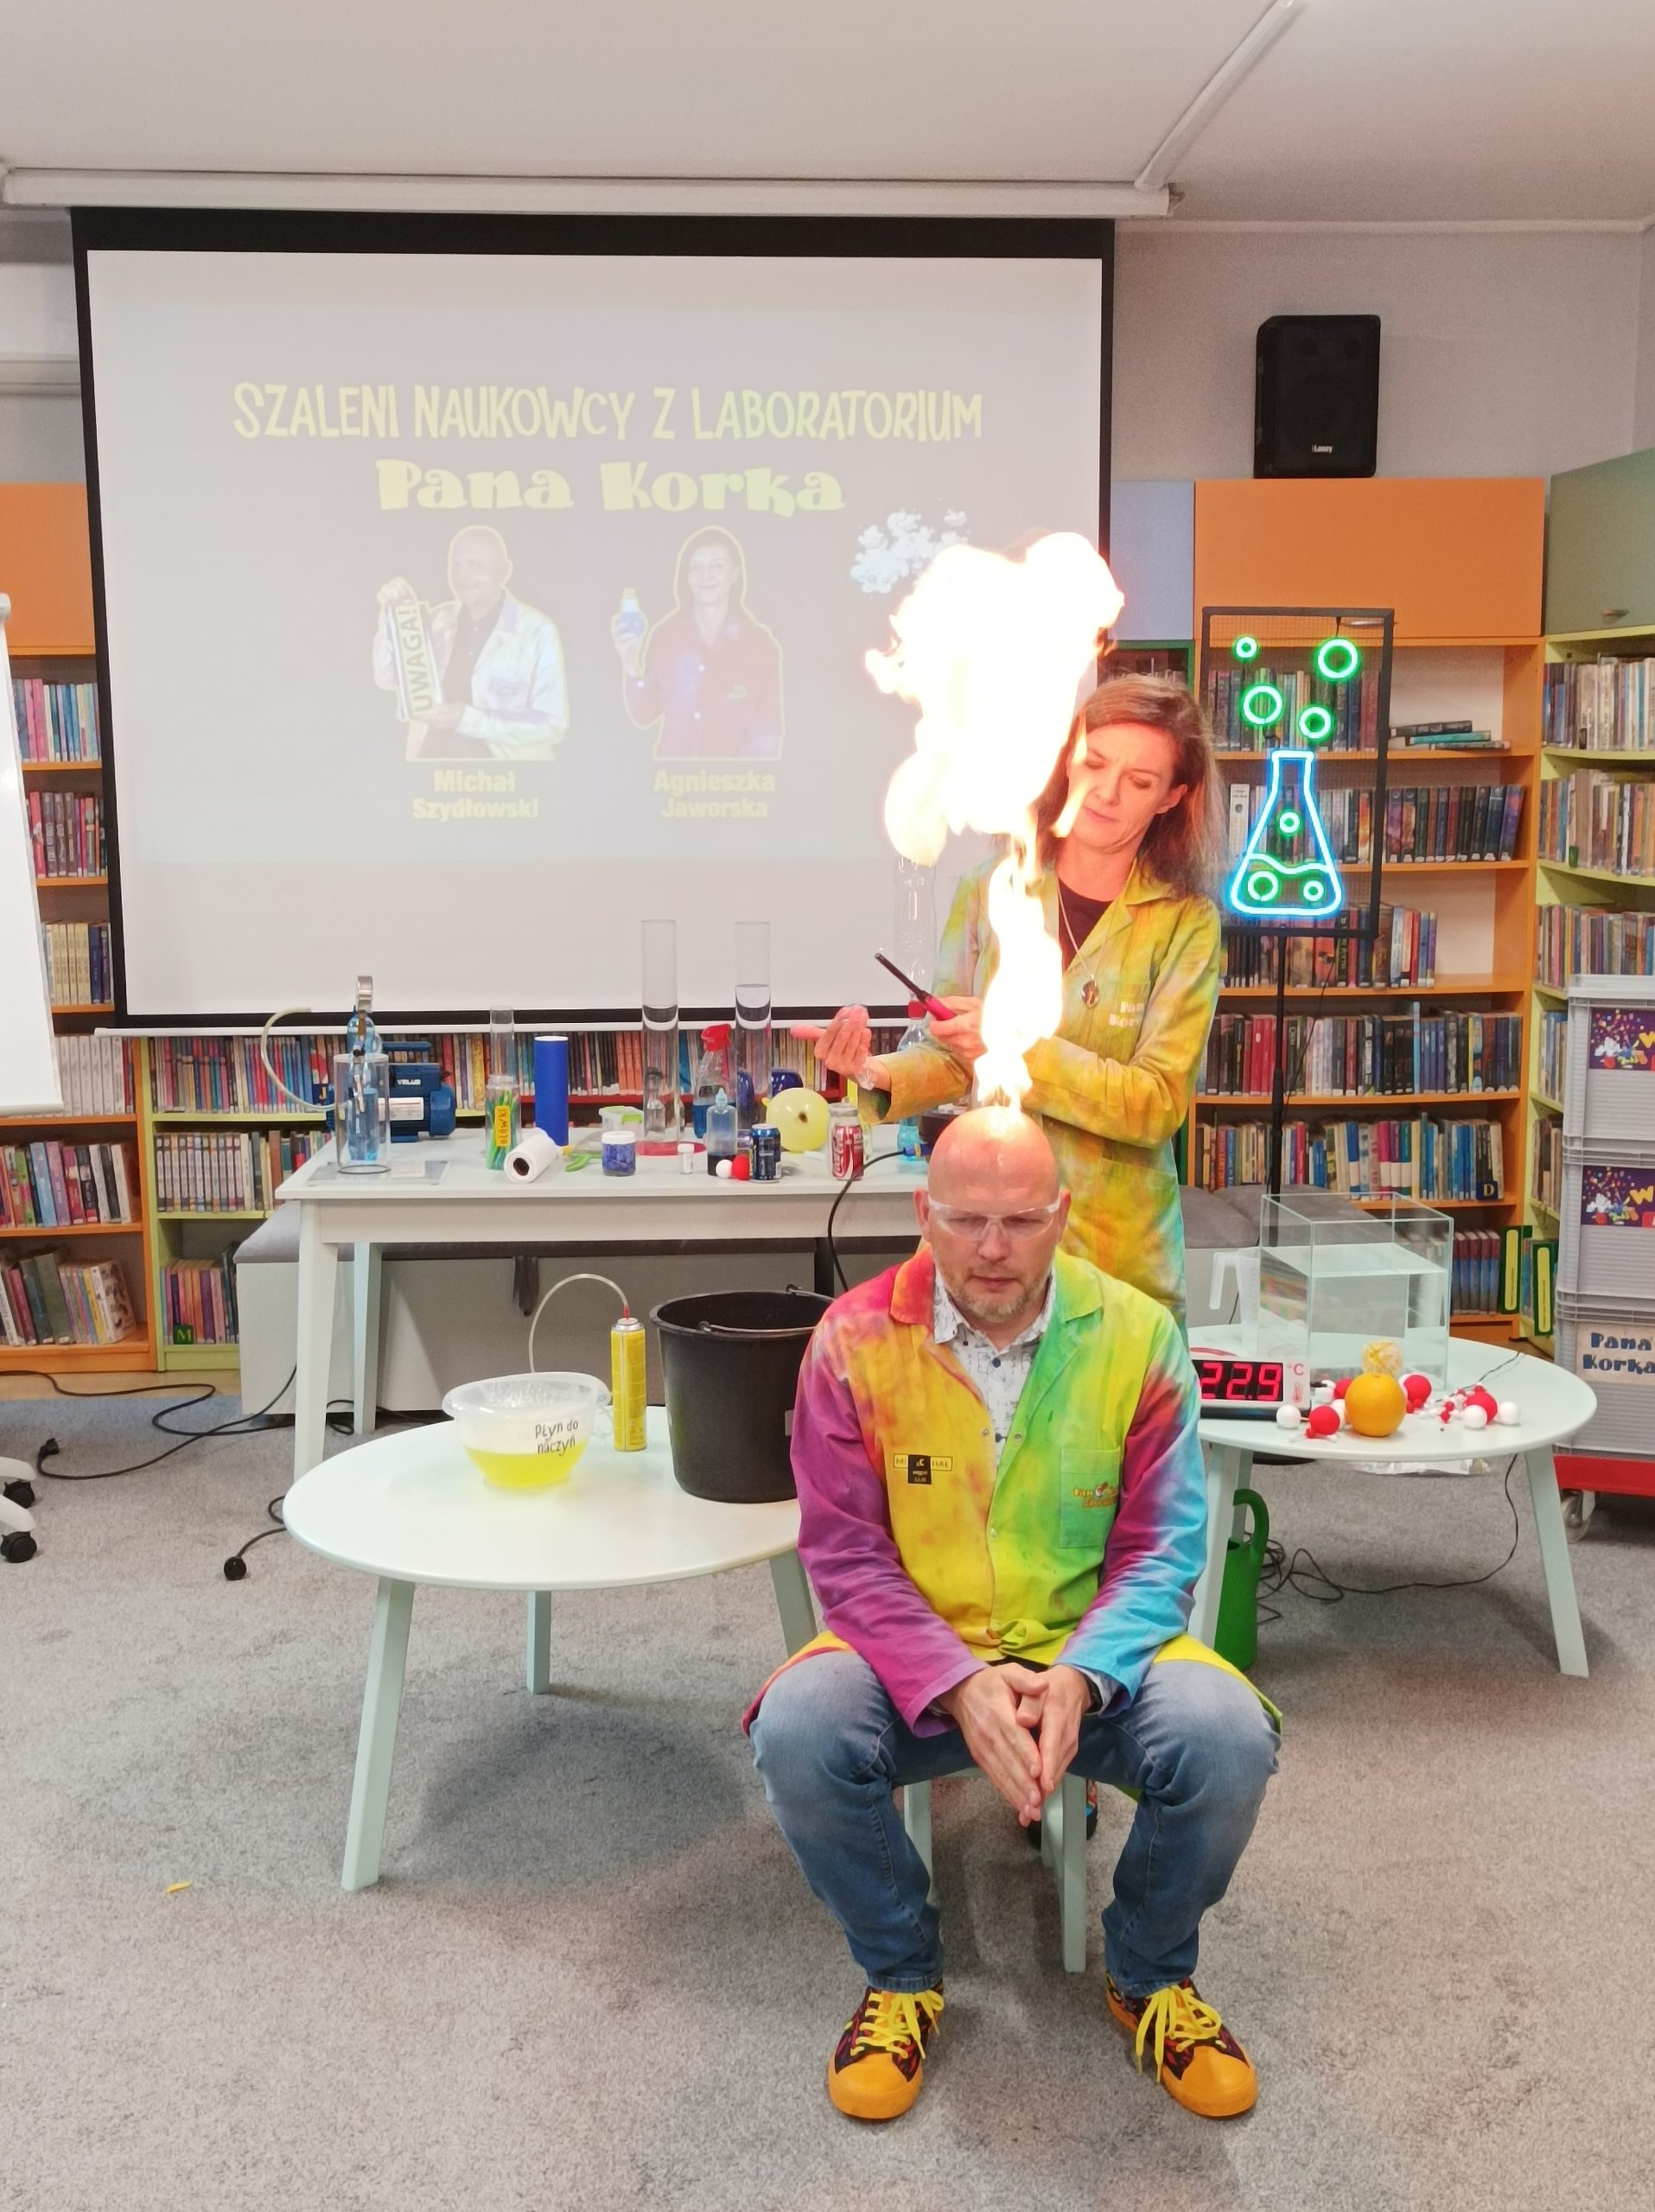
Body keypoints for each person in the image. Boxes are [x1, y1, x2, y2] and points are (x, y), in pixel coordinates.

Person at [747, 1109, 1278, 2124]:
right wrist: (954, 1679)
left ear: (1062, 1215)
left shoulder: (1139, 1336)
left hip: (1090, 1653)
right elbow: (847, 1555)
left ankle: (1149, 1973)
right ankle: (900, 1972)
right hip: (912, 1659)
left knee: (1227, 1738)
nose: (992, 1248)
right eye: (966, 1219)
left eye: (1022, 1220)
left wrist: (1083, 1673)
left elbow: (1161, 1549)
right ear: (924, 1212)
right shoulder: (850, 1340)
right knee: (798, 1729)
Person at [799, 673, 1222, 1324]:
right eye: (1094, 763)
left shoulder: (1183, 922)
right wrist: (874, 1071)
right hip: (985, 1238)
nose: (1106, 793)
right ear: (1066, 760)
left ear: (1172, 796)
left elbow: (1155, 1105)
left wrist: (1011, 1046)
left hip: (1115, 1259)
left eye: (1139, 781)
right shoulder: (988, 888)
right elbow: (952, 1052)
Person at [373, 524, 569, 762]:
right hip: (431, 775)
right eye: (455, 565)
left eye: (475, 565)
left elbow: (551, 725)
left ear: (504, 571)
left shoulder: (538, 631)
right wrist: (396, 619)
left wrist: (470, 721)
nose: (461, 576)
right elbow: (386, 677)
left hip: (509, 780)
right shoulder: (436, 622)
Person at [609, 526, 783, 758]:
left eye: (717, 566)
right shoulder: (666, 636)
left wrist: (732, 776)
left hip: (736, 780)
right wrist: (630, 660)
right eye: (696, 567)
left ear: (735, 574)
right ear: (688, 577)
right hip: (671, 779)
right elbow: (643, 715)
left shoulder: (759, 646)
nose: (705, 575)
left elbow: (766, 736)